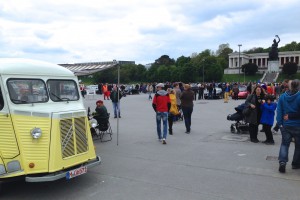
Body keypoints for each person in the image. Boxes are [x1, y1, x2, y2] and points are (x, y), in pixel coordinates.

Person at [277, 79, 300, 173]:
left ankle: (282, 162)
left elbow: (279, 111)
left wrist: (280, 124)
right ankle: (295, 163)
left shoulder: (282, 97)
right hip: (298, 125)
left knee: (284, 144)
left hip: (286, 125)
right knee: (298, 146)